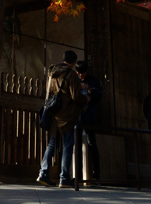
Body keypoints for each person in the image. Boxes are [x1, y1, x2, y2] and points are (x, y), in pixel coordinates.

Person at [36, 50, 88, 189]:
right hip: (67, 116)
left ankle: (43, 173)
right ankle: (64, 178)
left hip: (54, 115)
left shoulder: (53, 73)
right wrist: (87, 98)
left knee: (52, 145)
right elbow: (75, 96)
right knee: (67, 145)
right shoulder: (71, 74)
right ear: (73, 62)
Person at [75, 60, 102, 187]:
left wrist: (89, 90)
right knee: (77, 145)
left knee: (92, 144)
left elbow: (99, 93)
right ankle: (78, 176)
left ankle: (96, 175)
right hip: (77, 115)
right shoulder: (74, 79)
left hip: (89, 115)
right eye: (79, 73)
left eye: (83, 73)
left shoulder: (92, 80)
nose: (81, 76)